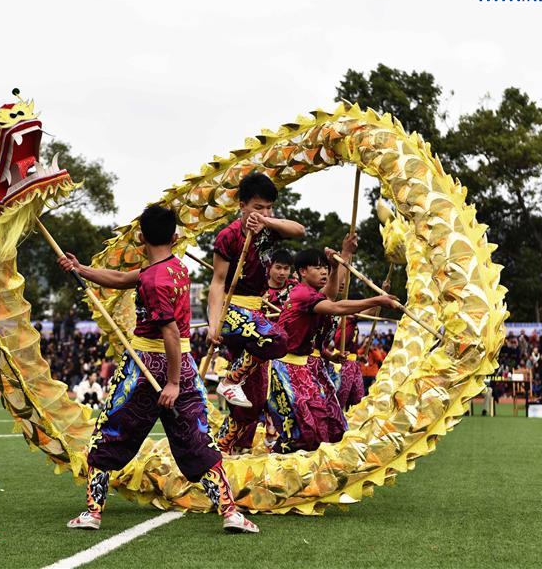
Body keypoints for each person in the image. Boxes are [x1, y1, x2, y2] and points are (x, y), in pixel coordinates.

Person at [59, 204, 258, 533]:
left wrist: (173, 384)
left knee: (109, 436)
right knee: (197, 438)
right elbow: (124, 279)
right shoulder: (177, 269)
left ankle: (93, 512)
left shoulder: (153, 280)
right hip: (183, 364)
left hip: (148, 368)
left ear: (140, 237)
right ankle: (230, 512)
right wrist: (80, 270)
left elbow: (168, 332)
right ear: (175, 236)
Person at [207, 174, 304, 452]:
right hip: (232, 310)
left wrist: (267, 221)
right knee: (278, 340)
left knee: (254, 399)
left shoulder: (269, 229)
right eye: (258, 207)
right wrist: (215, 324)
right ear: (242, 206)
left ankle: (226, 450)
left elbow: (299, 231)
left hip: (256, 313)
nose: (265, 213)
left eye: (269, 208)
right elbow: (217, 283)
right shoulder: (228, 236)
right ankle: (230, 379)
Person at [267, 246, 397, 451]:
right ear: (302, 271)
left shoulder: (313, 294)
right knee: (304, 429)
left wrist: (337, 266)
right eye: (318, 268)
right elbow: (337, 307)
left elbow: (331, 297)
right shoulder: (302, 294)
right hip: (285, 367)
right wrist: (377, 299)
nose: (324, 272)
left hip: (306, 367)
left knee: (332, 422)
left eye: (325, 268)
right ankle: (277, 464)